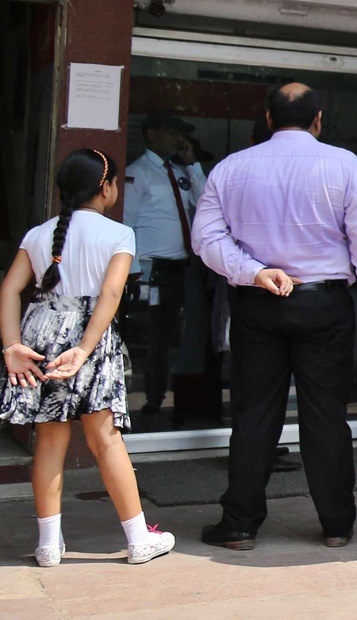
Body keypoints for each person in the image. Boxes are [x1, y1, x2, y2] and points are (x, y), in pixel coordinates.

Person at [192, 83, 357, 551]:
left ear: (267, 118)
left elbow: (205, 239)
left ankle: (239, 524)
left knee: (254, 413)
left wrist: (254, 272)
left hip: (258, 302)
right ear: (318, 118)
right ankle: (337, 524)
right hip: (324, 304)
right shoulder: (343, 164)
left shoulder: (231, 167)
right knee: (326, 415)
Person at [1, 149, 177, 566]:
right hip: (88, 335)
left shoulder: (39, 234)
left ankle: (47, 545)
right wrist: (85, 347)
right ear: (106, 188)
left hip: (40, 329)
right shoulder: (118, 234)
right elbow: (111, 295)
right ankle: (137, 539)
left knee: (49, 439)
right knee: (104, 438)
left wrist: (11, 346)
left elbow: (9, 289)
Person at [123, 110, 207, 417]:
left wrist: (193, 164)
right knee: (151, 339)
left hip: (180, 270)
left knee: (175, 337)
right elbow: (126, 223)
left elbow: (208, 201)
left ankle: (169, 397)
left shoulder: (182, 171)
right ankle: (151, 398)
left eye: (179, 132)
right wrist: (132, 272)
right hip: (150, 269)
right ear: (151, 134)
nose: (178, 138)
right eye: (172, 131)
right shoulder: (138, 172)